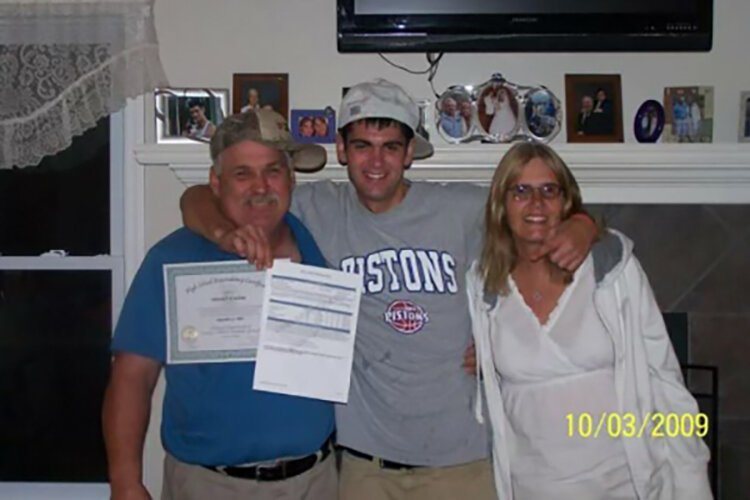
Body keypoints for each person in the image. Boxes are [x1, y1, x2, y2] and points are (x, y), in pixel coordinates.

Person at [180, 78, 599, 500]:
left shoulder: (462, 210)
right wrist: (222, 233)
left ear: (409, 152)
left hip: (464, 461)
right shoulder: (317, 208)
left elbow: (541, 218)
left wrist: (582, 224)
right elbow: (197, 197)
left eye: (391, 146)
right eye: (362, 145)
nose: (376, 161)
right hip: (366, 465)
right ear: (342, 150)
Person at [102, 109, 336, 500]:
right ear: (216, 182)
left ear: (292, 178)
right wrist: (125, 482)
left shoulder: (320, 238)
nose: (260, 187)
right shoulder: (173, 257)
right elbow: (132, 377)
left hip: (317, 480)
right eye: (242, 173)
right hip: (210, 484)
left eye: (273, 170)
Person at [466, 142, 712, 500]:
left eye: (548, 190)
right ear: (501, 204)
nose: (536, 203)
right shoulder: (483, 283)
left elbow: (663, 376)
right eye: (520, 191)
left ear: (565, 201)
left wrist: (691, 476)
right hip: (532, 485)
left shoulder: (610, 268)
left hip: (624, 479)